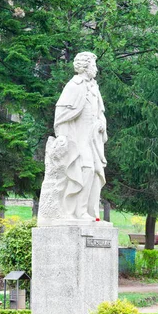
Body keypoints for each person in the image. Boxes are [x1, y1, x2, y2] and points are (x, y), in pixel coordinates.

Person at [53, 51, 107, 221]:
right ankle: (76, 211)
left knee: (96, 172)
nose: (96, 69)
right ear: (85, 67)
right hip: (77, 138)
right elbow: (61, 113)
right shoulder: (74, 85)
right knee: (86, 169)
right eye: (93, 65)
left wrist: (101, 123)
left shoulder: (94, 88)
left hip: (92, 139)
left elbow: (101, 113)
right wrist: (62, 136)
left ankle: (89, 211)